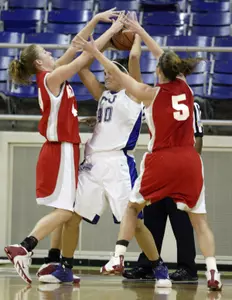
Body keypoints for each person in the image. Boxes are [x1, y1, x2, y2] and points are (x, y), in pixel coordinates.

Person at [74, 15, 222, 291]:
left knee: (132, 208)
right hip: (190, 160)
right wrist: (141, 31)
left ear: (159, 72)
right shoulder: (186, 89)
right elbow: (165, 56)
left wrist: (95, 52)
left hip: (162, 159)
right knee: (200, 222)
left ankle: (117, 256)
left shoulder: (149, 94)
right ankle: (213, 271)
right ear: (178, 71)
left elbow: (119, 74)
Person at [37, 23, 171, 288]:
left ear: (123, 76)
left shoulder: (134, 95)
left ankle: (159, 266)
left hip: (119, 164)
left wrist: (134, 37)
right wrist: (106, 43)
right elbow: (83, 67)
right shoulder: (104, 96)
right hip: (93, 163)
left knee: (136, 223)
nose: (106, 75)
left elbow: (133, 58)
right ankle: (65, 266)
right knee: (72, 218)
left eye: (112, 73)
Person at [3, 8, 123, 285]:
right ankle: (24, 247)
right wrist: (114, 31)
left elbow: (75, 46)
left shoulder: (52, 75)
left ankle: (54, 262)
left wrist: (94, 20)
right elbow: (85, 55)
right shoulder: (51, 77)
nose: (50, 54)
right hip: (60, 151)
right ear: (38, 63)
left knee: (64, 207)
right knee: (67, 211)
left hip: (65, 149)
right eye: (45, 52)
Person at [123, 102, 203, 283]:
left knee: (182, 224)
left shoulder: (191, 104)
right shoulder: (154, 102)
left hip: (180, 172)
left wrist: (188, 171)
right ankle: (148, 265)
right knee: (152, 221)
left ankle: (187, 269)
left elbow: (198, 137)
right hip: (158, 169)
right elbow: (131, 116)